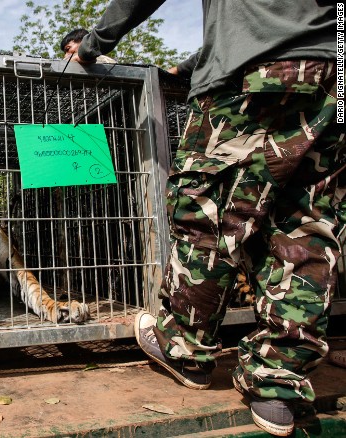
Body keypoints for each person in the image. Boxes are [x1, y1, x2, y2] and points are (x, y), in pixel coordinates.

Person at [72, 2, 341, 437]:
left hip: (255, 76)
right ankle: (280, 383)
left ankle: (183, 349)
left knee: (207, 216)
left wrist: (92, 45)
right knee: (308, 229)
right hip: (338, 83)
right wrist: (192, 63)